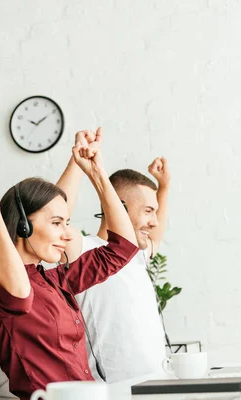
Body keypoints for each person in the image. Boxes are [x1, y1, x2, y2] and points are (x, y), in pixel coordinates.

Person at [0, 130, 139, 400]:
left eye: (66, 223)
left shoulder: (56, 279)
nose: (68, 235)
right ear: (23, 226)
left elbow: (123, 247)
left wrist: (96, 173)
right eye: (57, 223)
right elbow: (17, 298)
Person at [58, 130, 171, 382]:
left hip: (157, 385)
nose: (153, 221)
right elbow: (55, 215)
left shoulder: (137, 256)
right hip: (112, 391)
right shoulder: (84, 251)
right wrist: (79, 162)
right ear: (118, 207)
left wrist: (164, 187)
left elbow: (156, 235)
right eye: (147, 211)